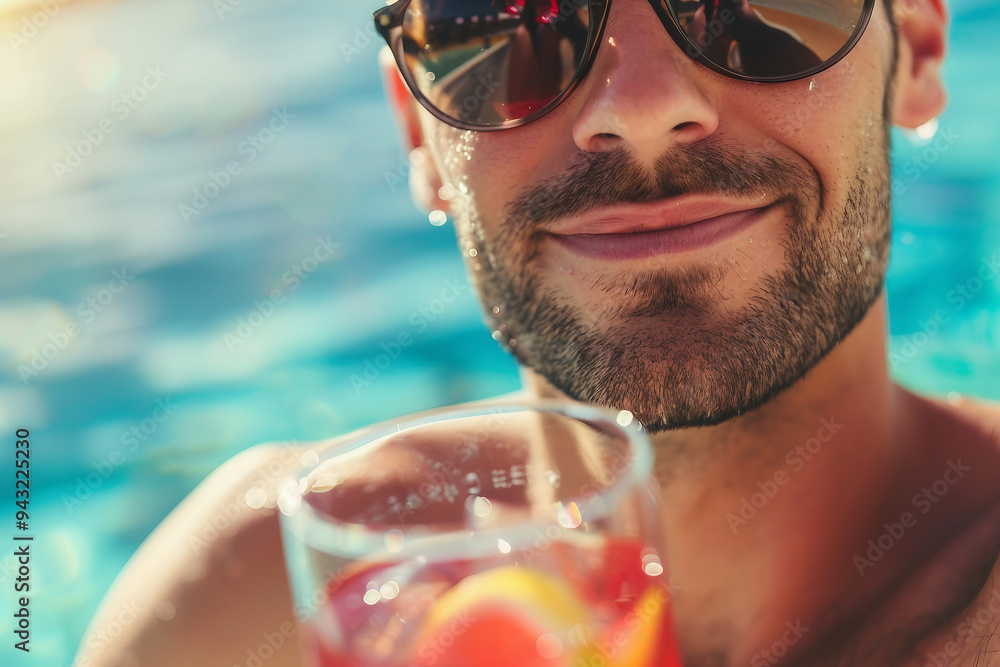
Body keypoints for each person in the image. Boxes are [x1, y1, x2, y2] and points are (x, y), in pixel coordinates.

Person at [78, 0, 1000, 665]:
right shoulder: (251, 608)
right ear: (417, 132)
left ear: (916, 49)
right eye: (514, 22)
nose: (635, 108)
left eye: (747, 5)